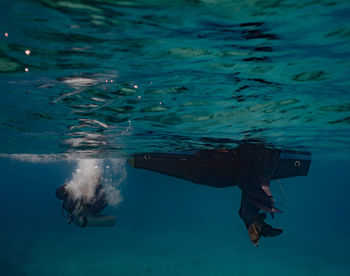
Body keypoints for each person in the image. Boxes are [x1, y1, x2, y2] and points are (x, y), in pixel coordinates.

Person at [128, 141, 311, 246]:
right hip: (252, 165)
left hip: (243, 166)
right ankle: (253, 221)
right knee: (251, 179)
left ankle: (253, 220)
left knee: (247, 179)